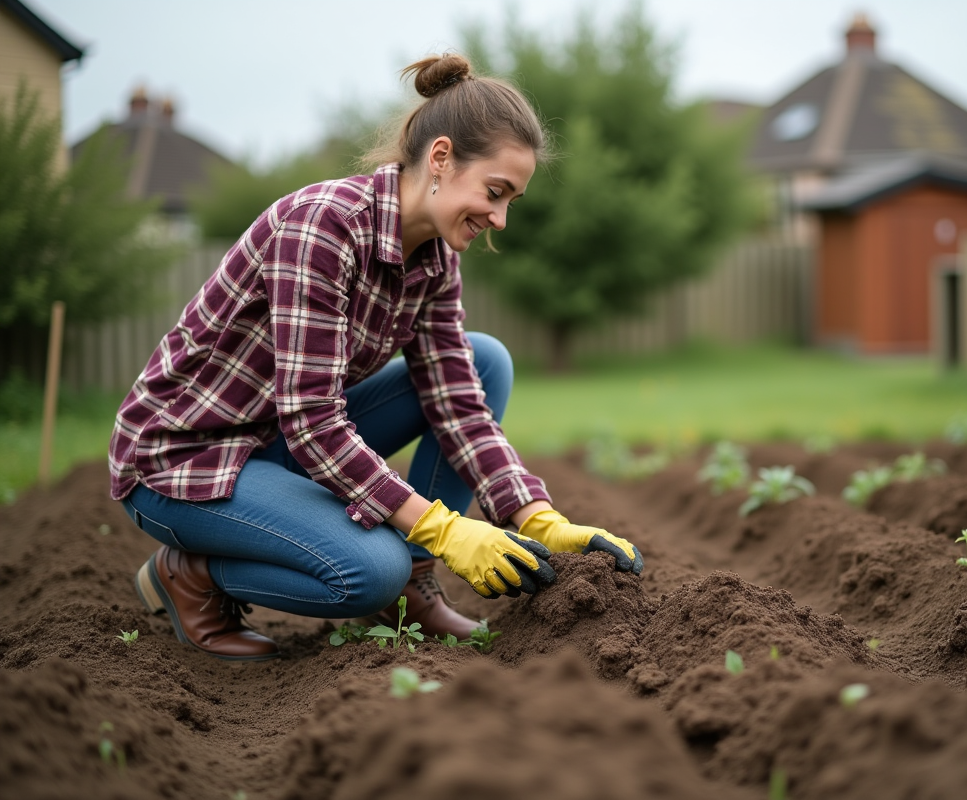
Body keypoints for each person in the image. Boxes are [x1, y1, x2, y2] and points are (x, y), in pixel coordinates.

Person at [109, 54, 643, 662]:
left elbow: (460, 407)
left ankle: (413, 590)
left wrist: (539, 517)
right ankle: (192, 573)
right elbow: (312, 421)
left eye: (511, 202)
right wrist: (443, 529)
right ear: (440, 158)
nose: (499, 217)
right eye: (495, 193)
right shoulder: (321, 229)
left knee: (484, 361)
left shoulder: (437, 261)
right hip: (185, 458)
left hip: (272, 442)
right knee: (369, 571)